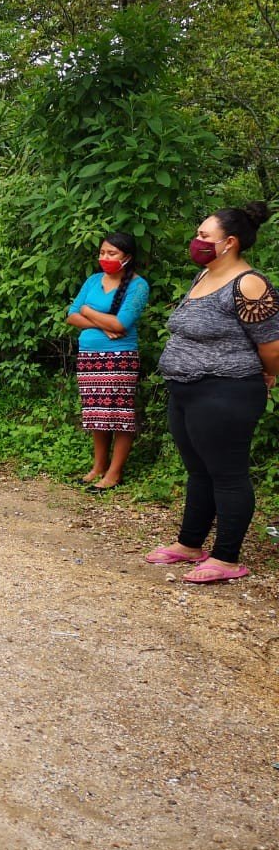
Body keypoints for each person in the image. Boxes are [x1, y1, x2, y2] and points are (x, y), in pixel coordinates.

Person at [146, 202, 279, 584]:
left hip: (227, 391)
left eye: (205, 236)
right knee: (199, 471)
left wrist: (269, 374)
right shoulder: (204, 275)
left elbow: (272, 345)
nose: (197, 241)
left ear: (230, 243)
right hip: (186, 389)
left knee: (228, 474)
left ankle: (227, 557)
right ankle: (190, 545)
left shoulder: (249, 284)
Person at [66, 232, 150, 491]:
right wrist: (102, 325)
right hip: (89, 357)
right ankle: (98, 467)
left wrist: (89, 312)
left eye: (111, 253)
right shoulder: (93, 281)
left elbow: (121, 323)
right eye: (102, 252)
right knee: (96, 413)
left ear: (127, 257)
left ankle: (114, 473)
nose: (105, 257)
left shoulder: (138, 285)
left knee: (119, 413)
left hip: (119, 357)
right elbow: (71, 315)